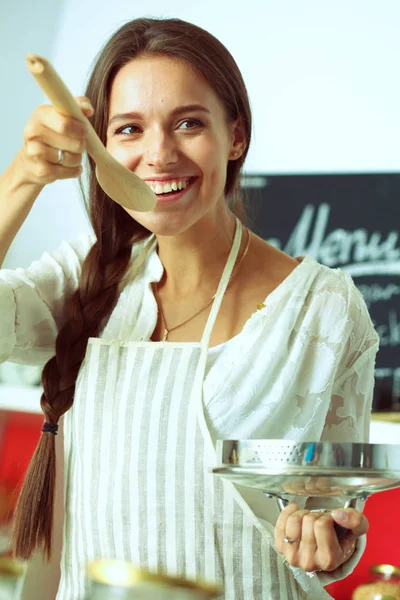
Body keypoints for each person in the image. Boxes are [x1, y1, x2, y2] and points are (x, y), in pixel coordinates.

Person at [0, 17, 379, 600]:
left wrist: (327, 537)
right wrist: (21, 179)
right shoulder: (87, 275)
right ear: (100, 150)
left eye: (188, 123)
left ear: (236, 136)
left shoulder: (322, 308)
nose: (159, 154)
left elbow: (328, 512)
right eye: (128, 129)